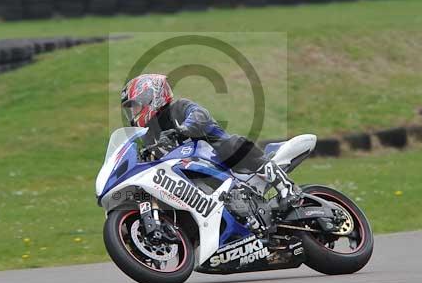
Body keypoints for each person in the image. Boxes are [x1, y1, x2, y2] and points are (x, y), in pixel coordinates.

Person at [120, 73, 302, 212]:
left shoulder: (179, 108)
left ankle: (286, 187)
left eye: (136, 105)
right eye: (132, 108)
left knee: (232, 144)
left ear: (153, 96)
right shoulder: (148, 136)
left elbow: (200, 115)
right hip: (194, 182)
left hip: (223, 163)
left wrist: (182, 130)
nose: (134, 111)